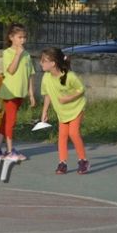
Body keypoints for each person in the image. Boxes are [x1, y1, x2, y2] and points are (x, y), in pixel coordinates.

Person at [39, 47, 89, 175]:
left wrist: (68, 98)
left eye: (44, 61)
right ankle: (62, 163)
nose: (41, 63)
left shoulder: (69, 76)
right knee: (62, 136)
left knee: (73, 133)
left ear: (53, 63)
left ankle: (83, 161)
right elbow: (47, 95)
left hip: (76, 108)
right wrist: (44, 111)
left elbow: (81, 89)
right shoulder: (46, 78)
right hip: (62, 112)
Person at [0, 23, 36, 161]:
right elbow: (11, 70)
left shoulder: (27, 55)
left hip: (20, 93)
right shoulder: (7, 53)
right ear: (11, 37)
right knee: (11, 121)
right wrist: (17, 55)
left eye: (24, 37)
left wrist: (31, 94)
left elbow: (31, 75)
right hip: (10, 92)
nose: (22, 40)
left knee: (6, 120)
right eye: (19, 37)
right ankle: (10, 151)